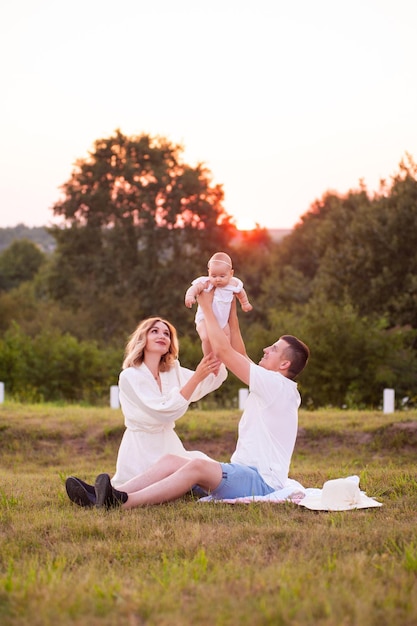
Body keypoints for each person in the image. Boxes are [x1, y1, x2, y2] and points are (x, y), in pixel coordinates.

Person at [79, 290, 310, 510]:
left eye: (274, 349)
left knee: (197, 465)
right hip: (244, 473)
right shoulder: (271, 383)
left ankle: (123, 502)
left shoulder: (277, 386)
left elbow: (225, 352)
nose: (266, 349)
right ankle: (102, 495)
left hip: (261, 482)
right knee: (171, 460)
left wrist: (206, 305)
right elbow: (239, 352)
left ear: (284, 364)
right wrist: (230, 309)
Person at [65, 317, 227, 507]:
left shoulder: (173, 371)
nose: (162, 336)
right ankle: (99, 495)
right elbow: (163, 412)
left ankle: (95, 496)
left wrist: (206, 339)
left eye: (167, 333)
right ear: (143, 338)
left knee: (205, 465)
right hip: (140, 448)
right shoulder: (129, 376)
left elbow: (212, 378)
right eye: (155, 331)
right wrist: (197, 376)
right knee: (153, 481)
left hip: (169, 447)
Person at [185, 251, 253, 355]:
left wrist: (245, 303)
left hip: (222, 321)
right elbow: (194, 288)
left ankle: (221, 358)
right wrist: (190, 296)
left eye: (222, 276)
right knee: (206, 337)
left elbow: (241, 293)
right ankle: (208, 357)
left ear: (231, 274)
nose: (217, 279)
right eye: (213, 275)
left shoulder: (233, 284)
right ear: (209, 273)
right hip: (204, 319)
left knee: (227, 338)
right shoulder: (207, 283)